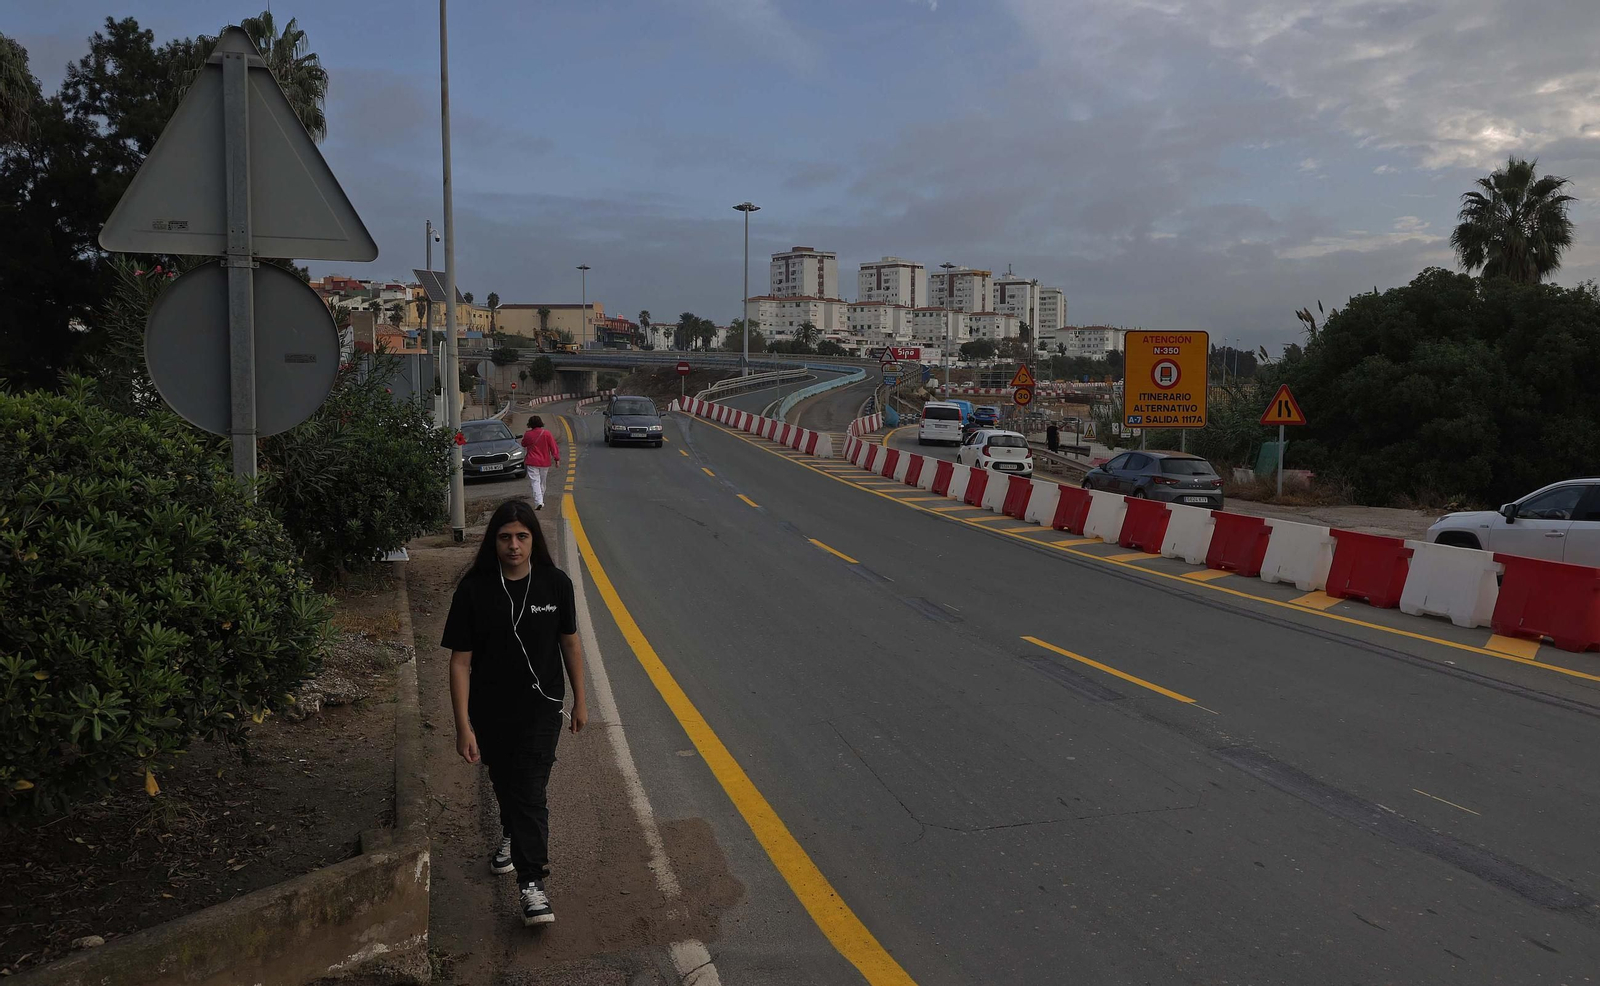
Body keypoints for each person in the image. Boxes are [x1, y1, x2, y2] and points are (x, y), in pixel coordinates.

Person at [442, 499, 587, 926]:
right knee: (505, 781)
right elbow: (460, 663)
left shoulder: (555, 584)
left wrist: (581, 700)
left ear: (533, 540)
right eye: (505, 537)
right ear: (494, 542)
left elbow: (571, 644)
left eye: (522, 537)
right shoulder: (473, 590)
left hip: (542, 710)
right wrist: (462, 725)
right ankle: (510, 832)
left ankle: (531, 883)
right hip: (490, 712)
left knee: (529, 789)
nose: (514, 545)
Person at [520, 416, 561, 510]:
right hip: (544, 462)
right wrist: (557, 459)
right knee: (542, 482)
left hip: (532, 461)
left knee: (535, 482)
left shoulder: (528, 434)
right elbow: (553, 447)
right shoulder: (547, 433)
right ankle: (540, 500)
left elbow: (523, 444)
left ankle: (539, 501)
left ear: (530, 424)